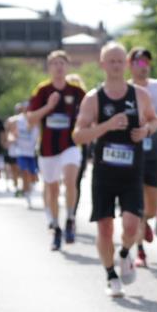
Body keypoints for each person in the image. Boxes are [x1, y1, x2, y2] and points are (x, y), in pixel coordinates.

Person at [73, 42, 157, 297]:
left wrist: (145, 130)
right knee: (105, 227)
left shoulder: (140, 95)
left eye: (121, 60)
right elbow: (78, 135)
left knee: (131, 226)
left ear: (127, 64)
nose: (117, 65)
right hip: (104, 173)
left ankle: (123, 254)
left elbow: (154, 120)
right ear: (102, 64)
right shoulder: (93, 98)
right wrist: (106, 126)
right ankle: (110, 275)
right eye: (111, 61)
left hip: (132, 171)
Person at [27, 50, 87, 250]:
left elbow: (90, 114)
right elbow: (30, 119)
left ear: (67, 66)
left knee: (70, 181)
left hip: (70, 145)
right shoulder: (42, 90)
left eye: (62, 63)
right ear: (49, 68)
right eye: (54, 64)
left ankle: (70, 217)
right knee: (52, 189)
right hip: (47, 149)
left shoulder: (77, 91)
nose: (59, 67)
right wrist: (48, 107)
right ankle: (56, 228)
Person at [128, 46, 157, 265]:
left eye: (146, 62)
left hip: (155, 151)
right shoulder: (124, 90)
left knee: (152, 209)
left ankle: (146, 220)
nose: (142, 67)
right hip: (131, 154)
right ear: (131, 65)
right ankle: (139, 251)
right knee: (134, 204)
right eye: (138, 62)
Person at [66, 73, 90, 222]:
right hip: (61, 146)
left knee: (76, 182)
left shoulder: (86, 103)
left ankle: (72, 213)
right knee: (67, 182)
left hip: (80, 146)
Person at [8, 100, 40, 208]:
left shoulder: (36, 121)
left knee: (33, 176)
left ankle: (29, 189)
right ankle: (27, 194)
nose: (27, 111)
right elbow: (11, 133)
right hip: (21, 151)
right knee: (24, 172)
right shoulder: (17, 121)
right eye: (26, 109)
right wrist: (11, 138)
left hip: (32, 152)